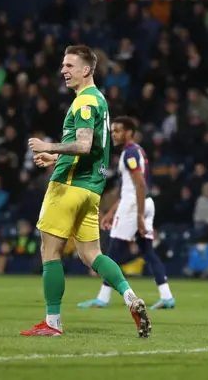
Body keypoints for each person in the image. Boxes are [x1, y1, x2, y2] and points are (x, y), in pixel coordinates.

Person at [22, 45, 151, 338]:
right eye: (63, 65)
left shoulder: (83, 102)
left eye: (69, 65)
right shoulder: (100, 101)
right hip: (92, 190)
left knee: (49, 251)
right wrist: (56, 158)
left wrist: (48, 146)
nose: (63, 71)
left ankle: (52, 323)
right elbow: (92, 148)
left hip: (67, 187)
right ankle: (131, 298)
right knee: (92, 253)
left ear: (86, 70)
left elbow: (81, 144)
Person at [77, 116, 175, 311]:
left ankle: (103, 298)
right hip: (143, 203)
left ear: (129, 132)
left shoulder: (129, 154)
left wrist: (138, 215)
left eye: (118, 131)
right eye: (113, 131)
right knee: (147, 251)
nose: (114, 134)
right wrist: (112, 212)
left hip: (134, 206)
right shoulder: (137, 151)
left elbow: (139, 185)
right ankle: (167, 296)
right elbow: (130, 187)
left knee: (112, 253)